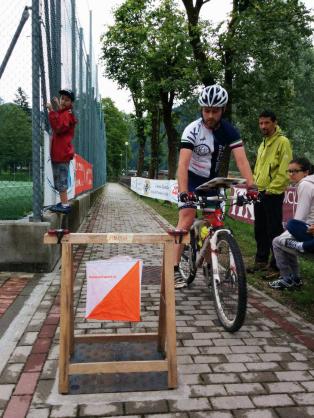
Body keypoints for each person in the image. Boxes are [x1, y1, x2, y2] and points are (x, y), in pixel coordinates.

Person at [174, 84, 256, 289]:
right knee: (187, 218)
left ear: (223, 110)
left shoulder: (229, 131)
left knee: (215, 222)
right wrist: (184, 193)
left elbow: (242, 161)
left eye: (215, 111)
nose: (210, 115)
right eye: (206, 110)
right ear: (201, 109)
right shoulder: (192, 129)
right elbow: (182, 165)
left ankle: (211, 267)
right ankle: (174, 268)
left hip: (212, 180)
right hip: (191, 178)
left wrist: (252, 186)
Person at [248, 110, 292, 278]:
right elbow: (259, 168)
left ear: (275, 122)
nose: (263, 126)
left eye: (266, 123)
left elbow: (284, 170)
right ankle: (260, 261)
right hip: (259, 191)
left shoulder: (283, 142)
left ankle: (276, 266)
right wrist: (254, 185)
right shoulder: (263, 143)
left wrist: (272, 189)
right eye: (261, 123)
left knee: (274, 229)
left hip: (273, 193)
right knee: (259, 228)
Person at [269, 157, 314, 290]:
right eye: (288, 171)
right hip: (309, 228)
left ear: (306, 172)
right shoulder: (309, 183)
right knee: (286, 235)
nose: (290, 174)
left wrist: (289, 232)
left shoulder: (305, 185)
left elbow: (300, 217)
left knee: (278, 241)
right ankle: (295, 278)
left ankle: (288, 278)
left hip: (309, 230)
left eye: (295, 171)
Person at [47, 89, 77, 214]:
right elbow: (62, 116)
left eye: (67, 100)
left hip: (61, 153)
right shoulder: (66, 113)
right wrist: (58, 107)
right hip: (61, 152)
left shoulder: (67, 115)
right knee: (60, 178)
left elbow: (59, 127)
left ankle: (65, 205)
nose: (63, 101)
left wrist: (51, 111)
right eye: (62, 98)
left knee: (61, 180)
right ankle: (64, 203)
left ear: (71, 103)